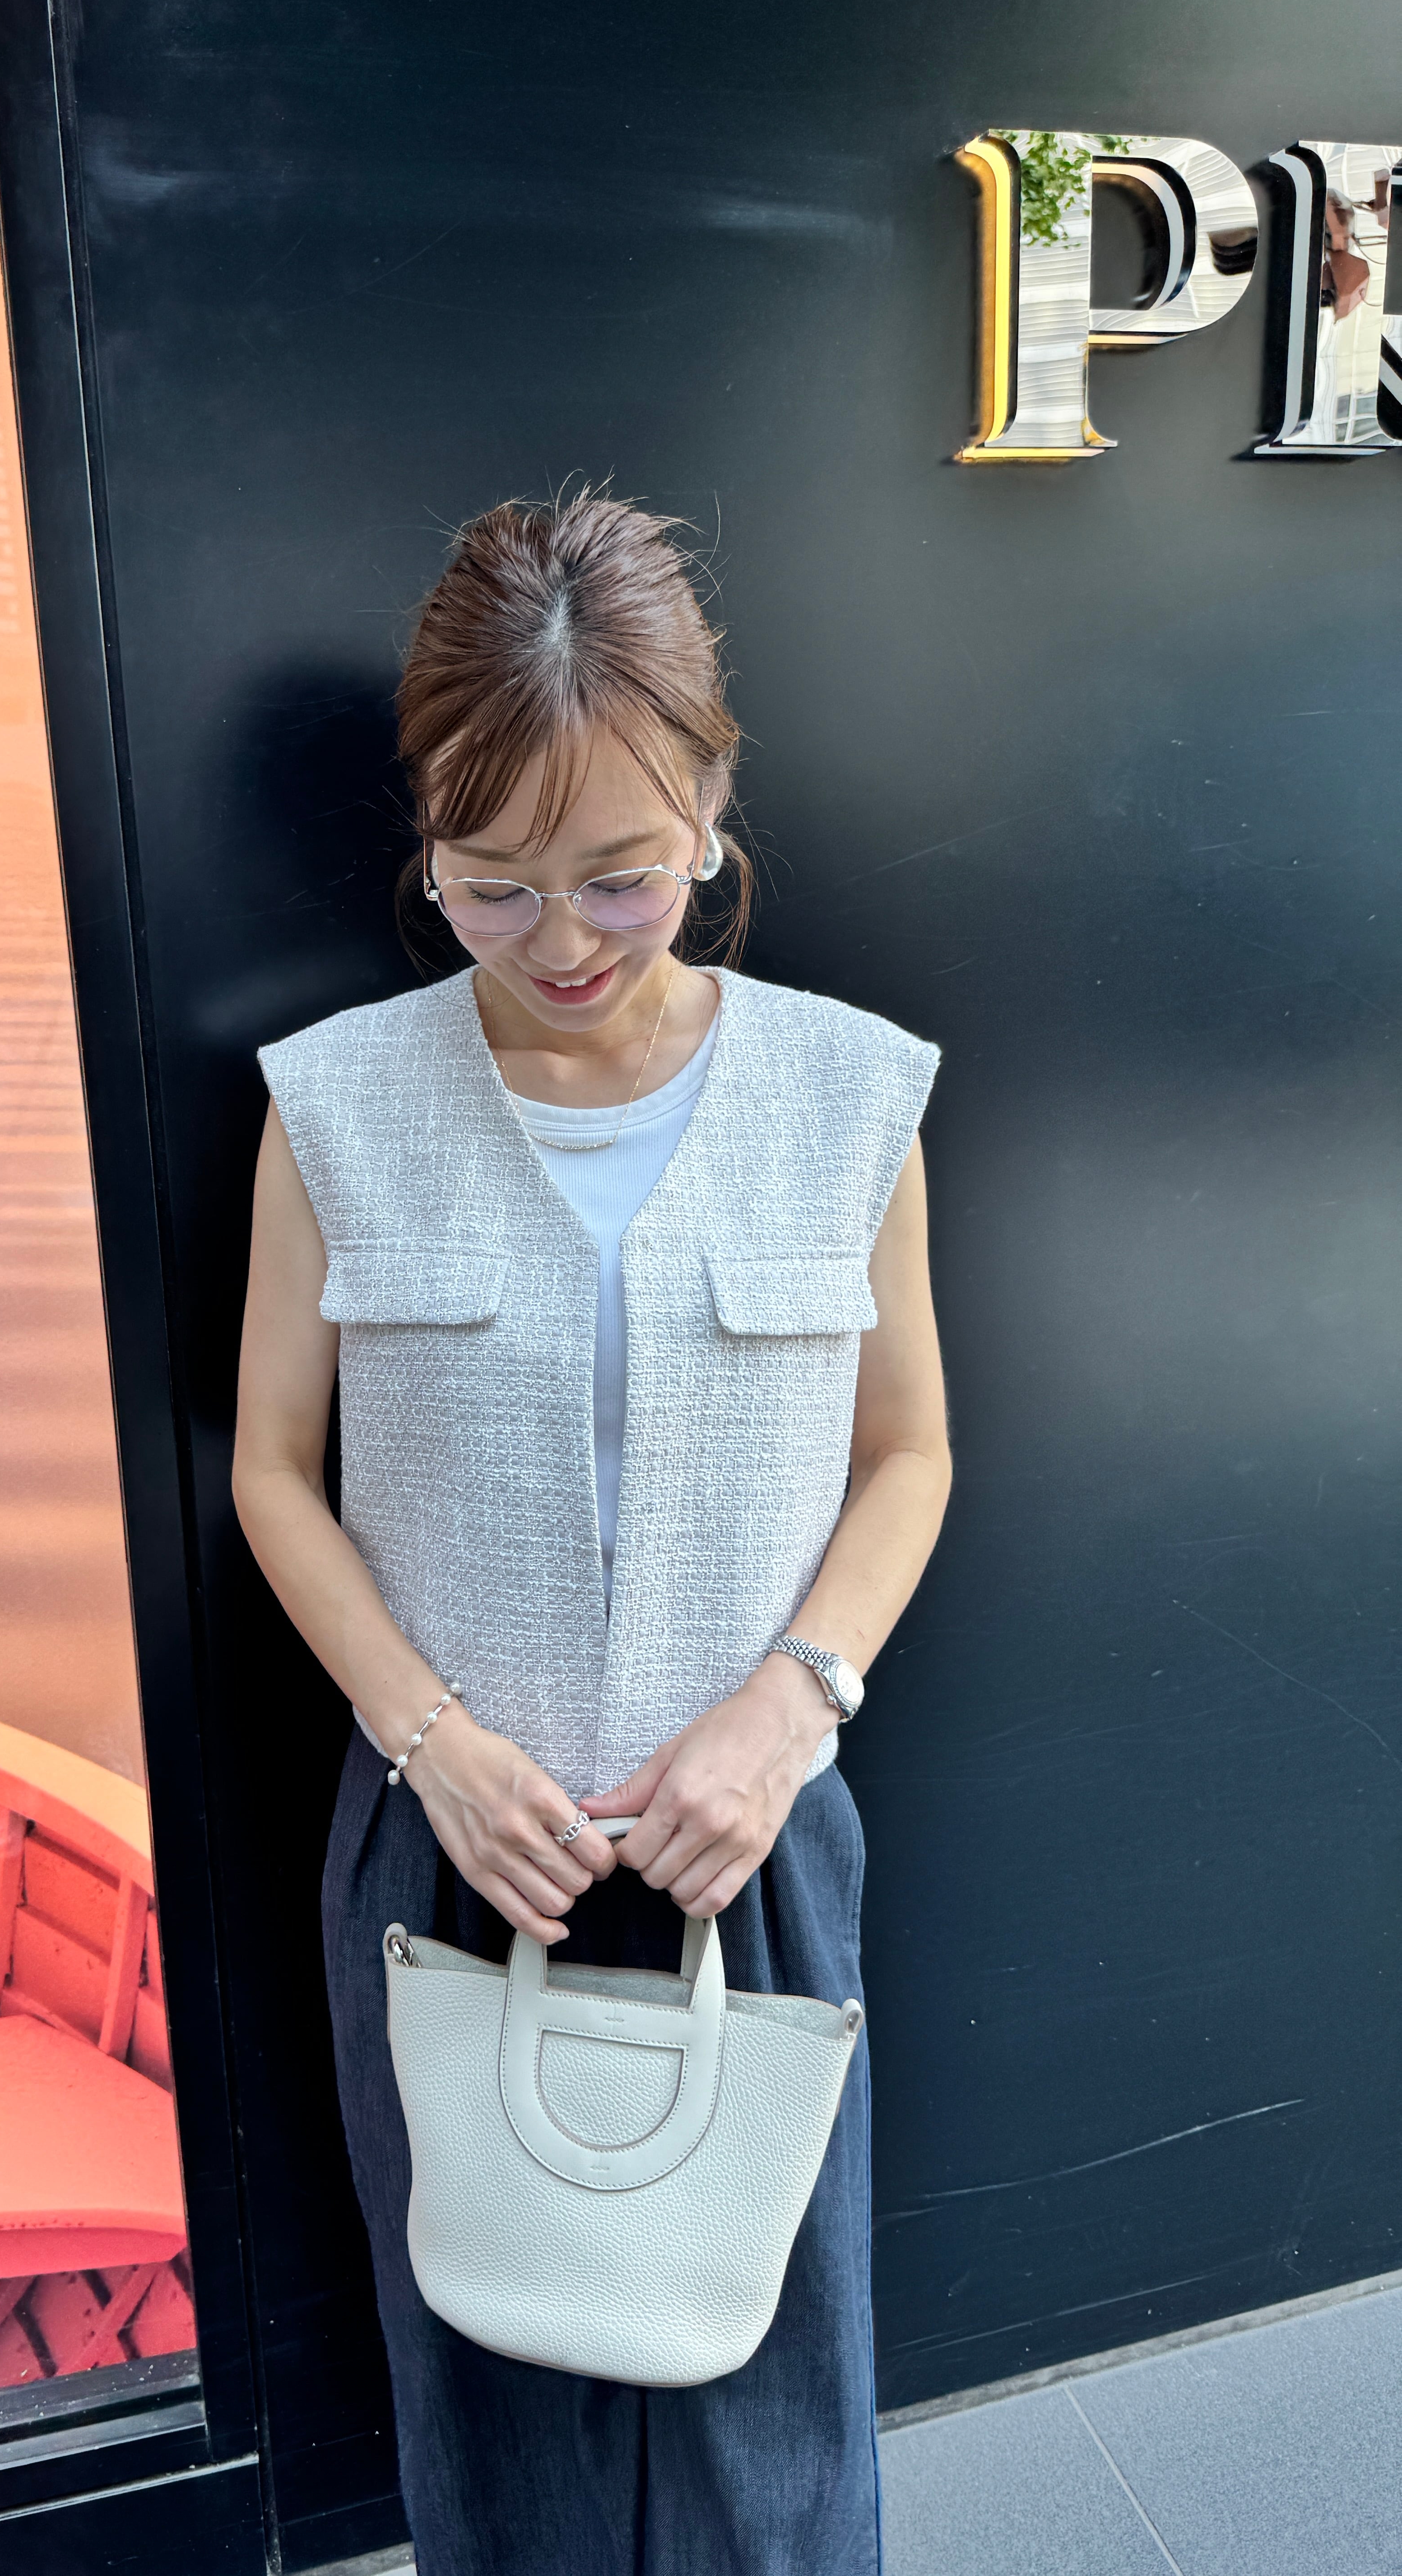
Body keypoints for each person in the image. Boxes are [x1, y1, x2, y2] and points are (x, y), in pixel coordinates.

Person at [233, 492, 952, 2575]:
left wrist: (790, 1711)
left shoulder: (852, 1097)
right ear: (429, 846)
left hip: (750, 1838)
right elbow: (273, 1464)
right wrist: (437, 1749)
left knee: (775, 2431)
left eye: (622, 874)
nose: (561, 939)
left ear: (713, 810)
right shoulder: (335, 1104)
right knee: (491, 2419)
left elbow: (911, 1452)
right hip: (454, 1846)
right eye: (494, 884)